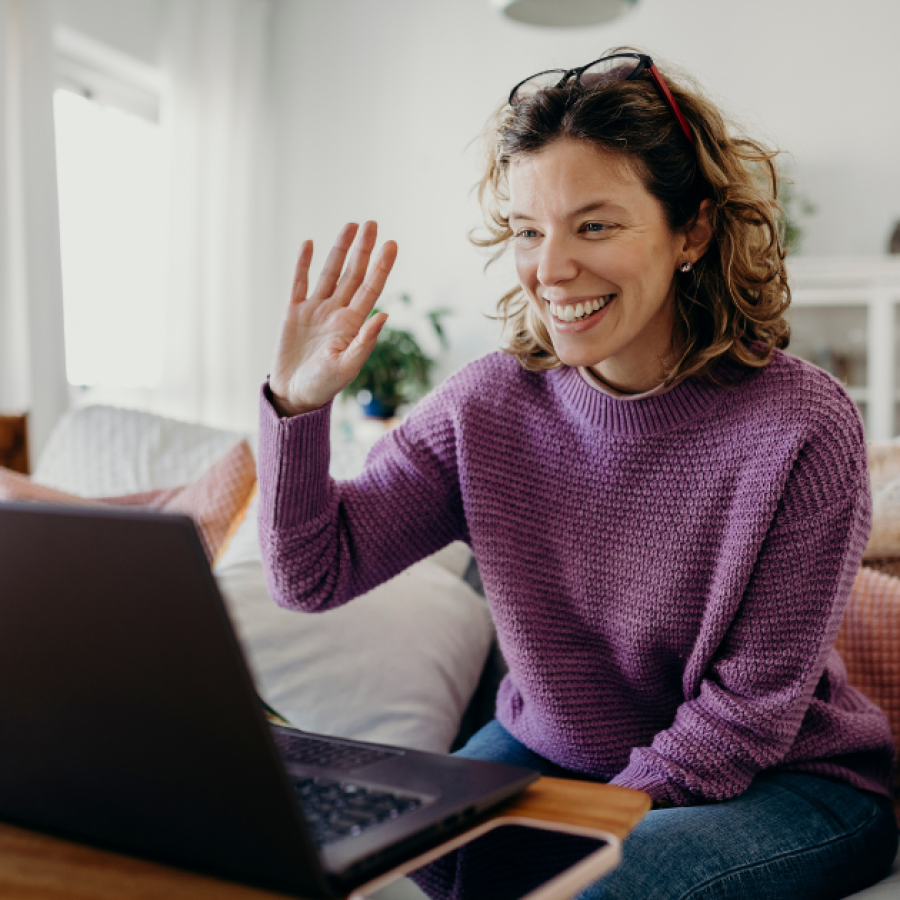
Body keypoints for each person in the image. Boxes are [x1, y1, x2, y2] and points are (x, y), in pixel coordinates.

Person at [258, 49, 898, 898]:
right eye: (529, 230)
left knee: (599, 888)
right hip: (556, 750)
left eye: (594, 225)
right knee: (389, 852)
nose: (550, 270)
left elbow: (747, 717)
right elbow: (310, 573)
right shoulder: (484, 406)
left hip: (790, 783)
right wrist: (296, 408)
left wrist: (578, 832)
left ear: (692, 232)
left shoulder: (802, 423)